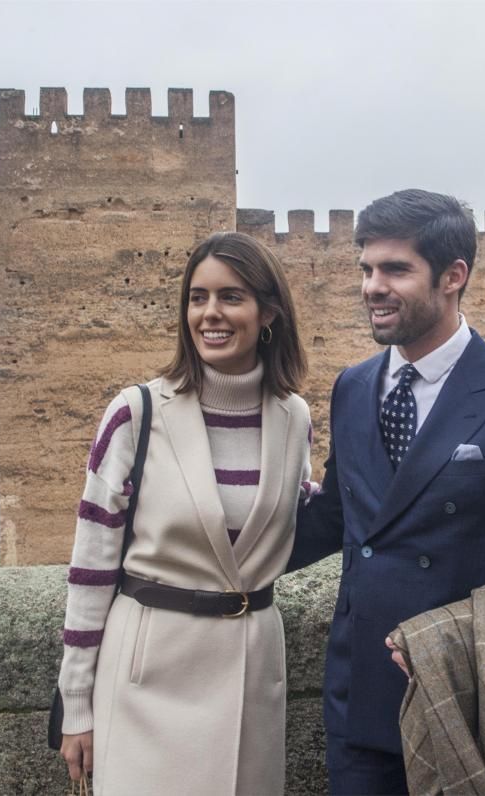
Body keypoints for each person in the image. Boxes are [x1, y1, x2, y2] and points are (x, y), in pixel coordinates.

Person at [288, 188, 485, 794]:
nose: (373, 286)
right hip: (358, 695)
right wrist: (212, 554)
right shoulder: (353, 386)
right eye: (367, 269)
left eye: (396, 269)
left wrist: (465, 639)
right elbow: (338, 516)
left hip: (462, 699)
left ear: (453, 276)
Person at [56, 232, 311, 795]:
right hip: (149, 677)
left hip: (251, 673)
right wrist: (77, 702)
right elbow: (92, 565)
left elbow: (291, 520)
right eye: (198, 298)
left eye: (230, 297)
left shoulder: (295, 418)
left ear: (268, 312)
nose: (210, 314)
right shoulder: (135, 413)